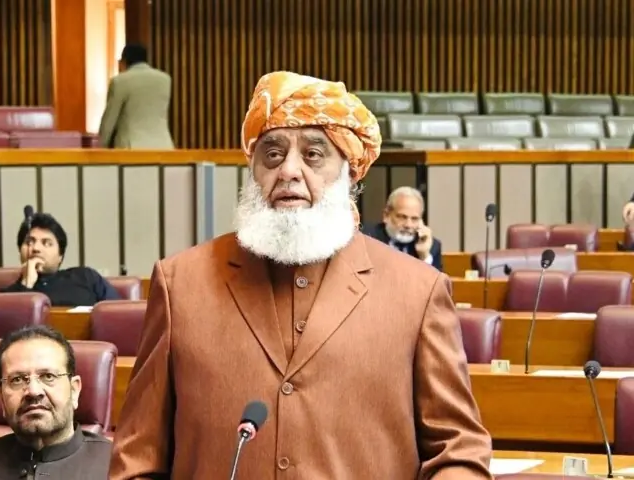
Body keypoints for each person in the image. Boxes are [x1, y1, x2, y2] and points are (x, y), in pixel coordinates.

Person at [109, 71, 492, 478]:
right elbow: (138, 459)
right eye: (273, 154)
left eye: (313, 155)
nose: (289, 170)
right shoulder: (180, 285)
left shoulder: (417, 291)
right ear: (253, 168)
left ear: (348, 173)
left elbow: (459, 453)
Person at [0, 325, 112, 478]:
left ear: (74, 390)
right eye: (17, 379)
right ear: (1, 399)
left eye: (48, 376)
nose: (34, 391)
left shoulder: (116, 467)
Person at [0, 213, 121, 307]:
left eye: (47, 243)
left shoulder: (86, 278)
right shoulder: (4, 297)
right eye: (29, 242)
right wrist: (26, 285)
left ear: (60, 255)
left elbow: (118, 315)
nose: (36, 248)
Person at [98, 43, 174, 149]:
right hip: (164, 147)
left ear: (123, 61)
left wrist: (101, 146)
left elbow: (109, 122)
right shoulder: (165, 80)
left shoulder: (120, 81)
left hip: (132, 148)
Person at [362, 186, 443, 271]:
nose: (408, 225)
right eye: (402, 217)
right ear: (386, 215)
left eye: (414, 219)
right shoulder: (366, 238)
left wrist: (424, 257)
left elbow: (436, 279)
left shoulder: (432, 247)